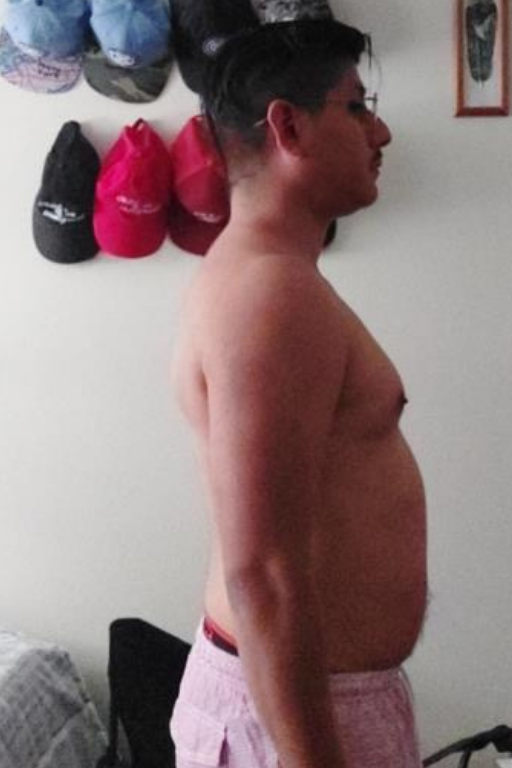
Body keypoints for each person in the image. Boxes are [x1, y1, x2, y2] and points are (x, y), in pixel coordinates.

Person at [170, 18, 428, 768]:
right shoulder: (270, 296)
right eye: (357, 106)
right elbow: (265, 571)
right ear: (288, 127)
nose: (381, 131)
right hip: (296, 723)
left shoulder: (266, 276)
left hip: (307, 703)